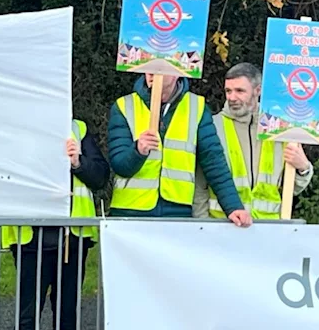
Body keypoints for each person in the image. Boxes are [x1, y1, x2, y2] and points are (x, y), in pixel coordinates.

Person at [1, 120, 109, 330]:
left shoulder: (80, 129)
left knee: (67, 316)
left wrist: (78, 162)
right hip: (30, 239)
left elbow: (100, 177)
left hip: (71, 239)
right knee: (27, 316)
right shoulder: (18, 130)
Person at [108, 73, 252, 225]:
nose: (151, 73)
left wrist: (233, 207)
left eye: (160, 68)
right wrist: (137, 151)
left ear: (176, 72)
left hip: (177, 213)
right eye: (148, 68)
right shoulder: (125, 105)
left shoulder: (197, 106)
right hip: (129, 212)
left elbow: (214, 162)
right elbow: (119, 166)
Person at [193, 62, 312, 219]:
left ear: (257, 91)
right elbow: (199, 185)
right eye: (228, 91)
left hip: (268, 230)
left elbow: (290, 188)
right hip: (223, 228)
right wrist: (203, 225)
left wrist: (303, 168)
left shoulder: (279, 129)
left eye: (239, 91)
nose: (232, 97)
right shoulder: (213, 126)